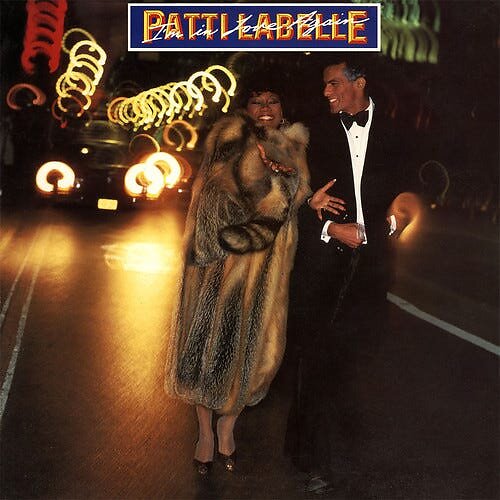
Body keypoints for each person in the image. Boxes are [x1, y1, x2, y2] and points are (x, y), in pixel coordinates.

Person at [285, 58, 421, 494]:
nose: (326, 92)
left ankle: (327, 452)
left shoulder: (398, 134)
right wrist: (326, 223)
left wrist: (398, 218)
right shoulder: (311, 135)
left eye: (333, 84)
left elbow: (412, 190)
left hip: (371, 266)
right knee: (318, 357)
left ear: (359, 83)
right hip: (324, 262)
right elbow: (289, 199)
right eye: (324, 86)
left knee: (350, 363)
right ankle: (316, 462)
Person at [165, 82, 311, 475]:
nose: (265, 107)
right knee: (204, 351)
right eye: (257, 101)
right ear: (245, 107)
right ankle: (205, 434)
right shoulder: (229, 137)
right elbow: (212, 195)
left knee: (257, 356)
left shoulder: (295, 146)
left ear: (284, 108)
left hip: (268, 269)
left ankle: (227, 426)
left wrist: (294, 188)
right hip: (220, 261)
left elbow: (294, 200)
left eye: (273, 100)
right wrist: (263, 183)